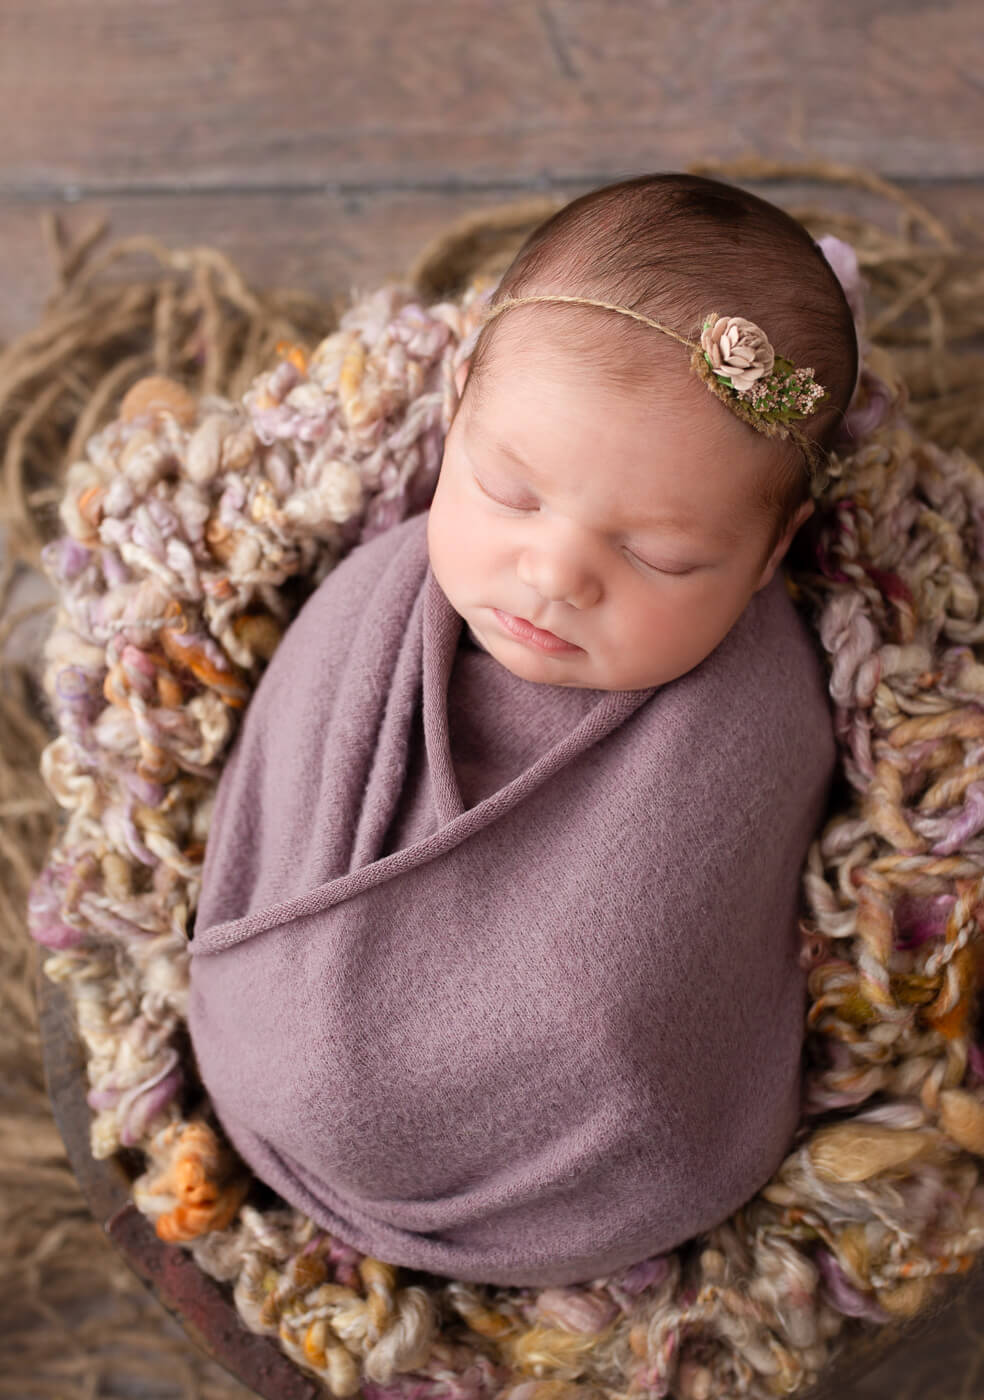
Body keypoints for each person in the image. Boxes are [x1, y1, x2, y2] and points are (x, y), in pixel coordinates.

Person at [186, 173, 859, 1288]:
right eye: (507, 488)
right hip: (273, 1083)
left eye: (660, 556)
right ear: (456, 403)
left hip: (597, 1180)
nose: (551, 576)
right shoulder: (372, 600)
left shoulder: (763, 712)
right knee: (305, 1049)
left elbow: (657, 1009)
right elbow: (272, 809)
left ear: (770, 550)